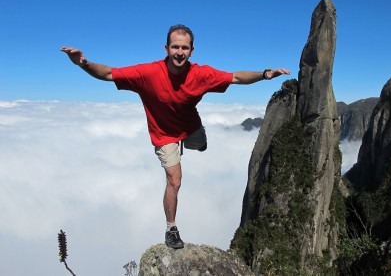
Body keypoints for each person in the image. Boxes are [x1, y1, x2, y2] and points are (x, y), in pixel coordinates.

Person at [61, 24, 290, 249]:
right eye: (175, 47)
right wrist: (83, 63)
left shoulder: (201, 74)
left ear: (192, 51)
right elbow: (109, 73)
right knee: (175, 180)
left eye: (185, 48)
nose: (179, 52)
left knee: (200, 144)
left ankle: (197, 142)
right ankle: (171, 228)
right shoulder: (148, 73)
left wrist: (264, 74)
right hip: (163, 135)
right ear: (166, 48)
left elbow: (237, 78)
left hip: (191, 128)